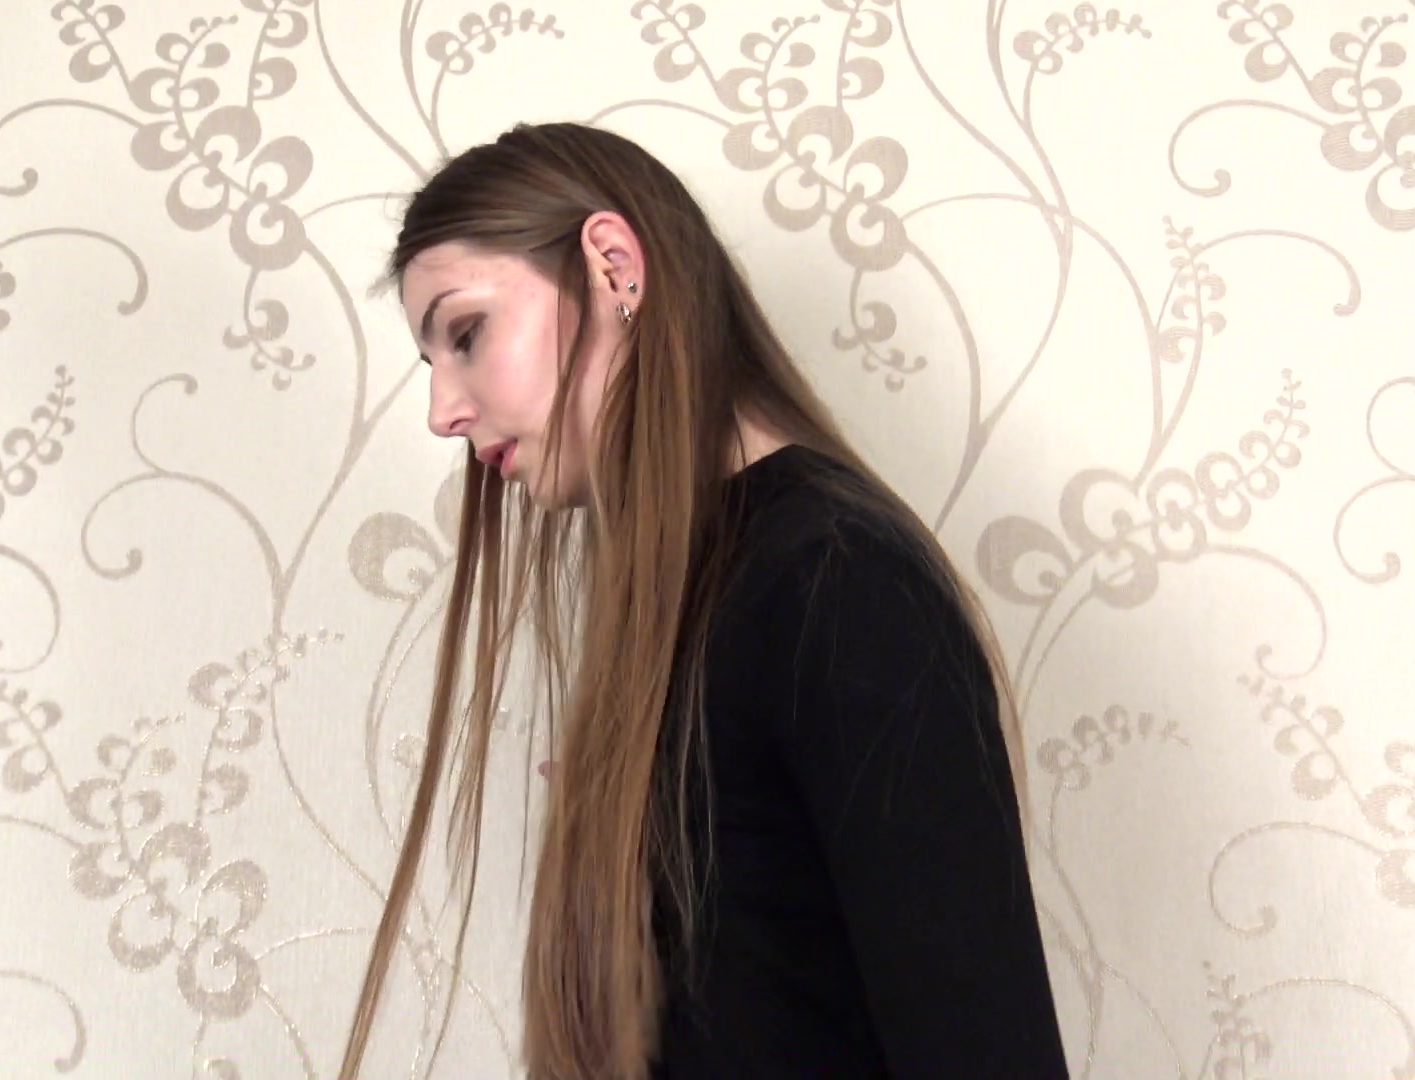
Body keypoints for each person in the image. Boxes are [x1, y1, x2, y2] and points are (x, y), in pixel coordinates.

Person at [340, 121, 1068, 1079]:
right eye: (433, 363)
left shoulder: (838, 584)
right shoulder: (689, 603)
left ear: (614, 267)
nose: (444, 410)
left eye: (467, 334)